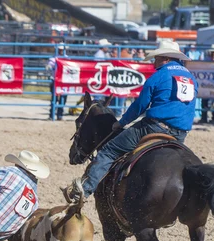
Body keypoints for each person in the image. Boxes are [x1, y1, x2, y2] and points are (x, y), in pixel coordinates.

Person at [70, 41, 197, 202]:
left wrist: (121, 123)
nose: (154, 61)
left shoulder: (158, 76)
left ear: (165, 58)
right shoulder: (191, 78)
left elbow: (139, 106)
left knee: (109, 151)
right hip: (180, 135)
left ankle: (84, 191)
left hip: (154, 127)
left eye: (157, 58)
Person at [46, 43, 68, 120]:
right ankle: (52, 114)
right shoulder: (53, 58)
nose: (61, 51)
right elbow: (49, 65)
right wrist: (49, 66)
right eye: (60, 49)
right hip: (55, 80)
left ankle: (59, 115)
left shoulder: (66, 58)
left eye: (62, 49)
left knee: (63, 98)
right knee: (54, 98)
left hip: (63, 81)